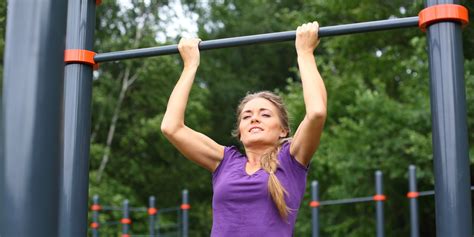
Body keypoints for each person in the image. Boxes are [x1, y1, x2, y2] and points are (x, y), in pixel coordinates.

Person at [161, 21, 327, 237]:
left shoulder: (291, 160)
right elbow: (171, 127)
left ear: (283, 130)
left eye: (265, 115)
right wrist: (190, 66)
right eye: (247, 116)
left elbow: (316, 112)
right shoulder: (225, 162)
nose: (254, 119)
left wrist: (304, 53)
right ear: (239, 131)